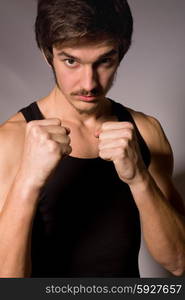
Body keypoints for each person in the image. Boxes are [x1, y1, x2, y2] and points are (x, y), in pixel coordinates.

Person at [0, 0, 185, 278]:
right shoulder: (10, 141)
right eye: (71, 61)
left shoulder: (145, 131)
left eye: (104, 61)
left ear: (121, 54)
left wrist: (139, 178)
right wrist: (28, 182)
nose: (89, 83)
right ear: (47, 53)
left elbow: (179, 262)